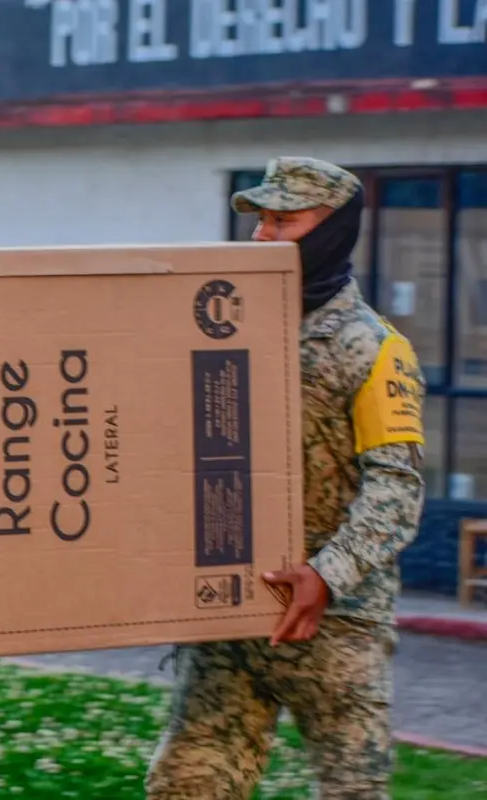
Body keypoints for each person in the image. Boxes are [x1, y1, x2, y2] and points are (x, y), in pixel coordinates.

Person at [145, 157, 427, 800]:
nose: (262, 236)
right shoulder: (221, 330)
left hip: (336, 627)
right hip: (228, 617)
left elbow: (397, 490)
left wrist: (325, 576)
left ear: (330, 232)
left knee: (354, 792)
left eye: (283, 220)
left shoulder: (374, 348)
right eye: (261, 220)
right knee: (186, 787)